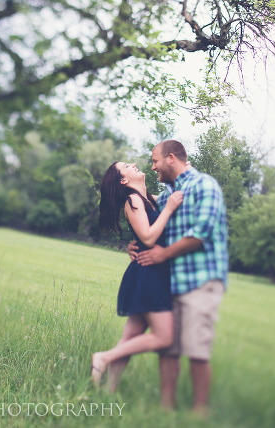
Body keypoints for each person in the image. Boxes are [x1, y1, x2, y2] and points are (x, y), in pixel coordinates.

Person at [131, 139, 228, 415]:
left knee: (197, 348)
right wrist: (136, 245)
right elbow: (153, 233)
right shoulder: (165, 198)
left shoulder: (205, 185)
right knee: (169, 348)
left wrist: (163, 255)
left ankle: (199, 412)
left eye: (155, 161)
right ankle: (166, 409)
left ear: (171, 158)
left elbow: (201, 234)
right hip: (170, 283)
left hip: (201, 280)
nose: (153, 167)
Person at [92, 161, 184, 390]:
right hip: (147, 274)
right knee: (164, 337)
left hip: (151, 271)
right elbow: (149, 238)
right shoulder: (132, 200)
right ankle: (103, 357)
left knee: (130, 338)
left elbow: (146, 232)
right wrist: (170, 209)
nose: (133, 164)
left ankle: (108, 389)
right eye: (126, 165)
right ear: (123, 180)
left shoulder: (149, 198)